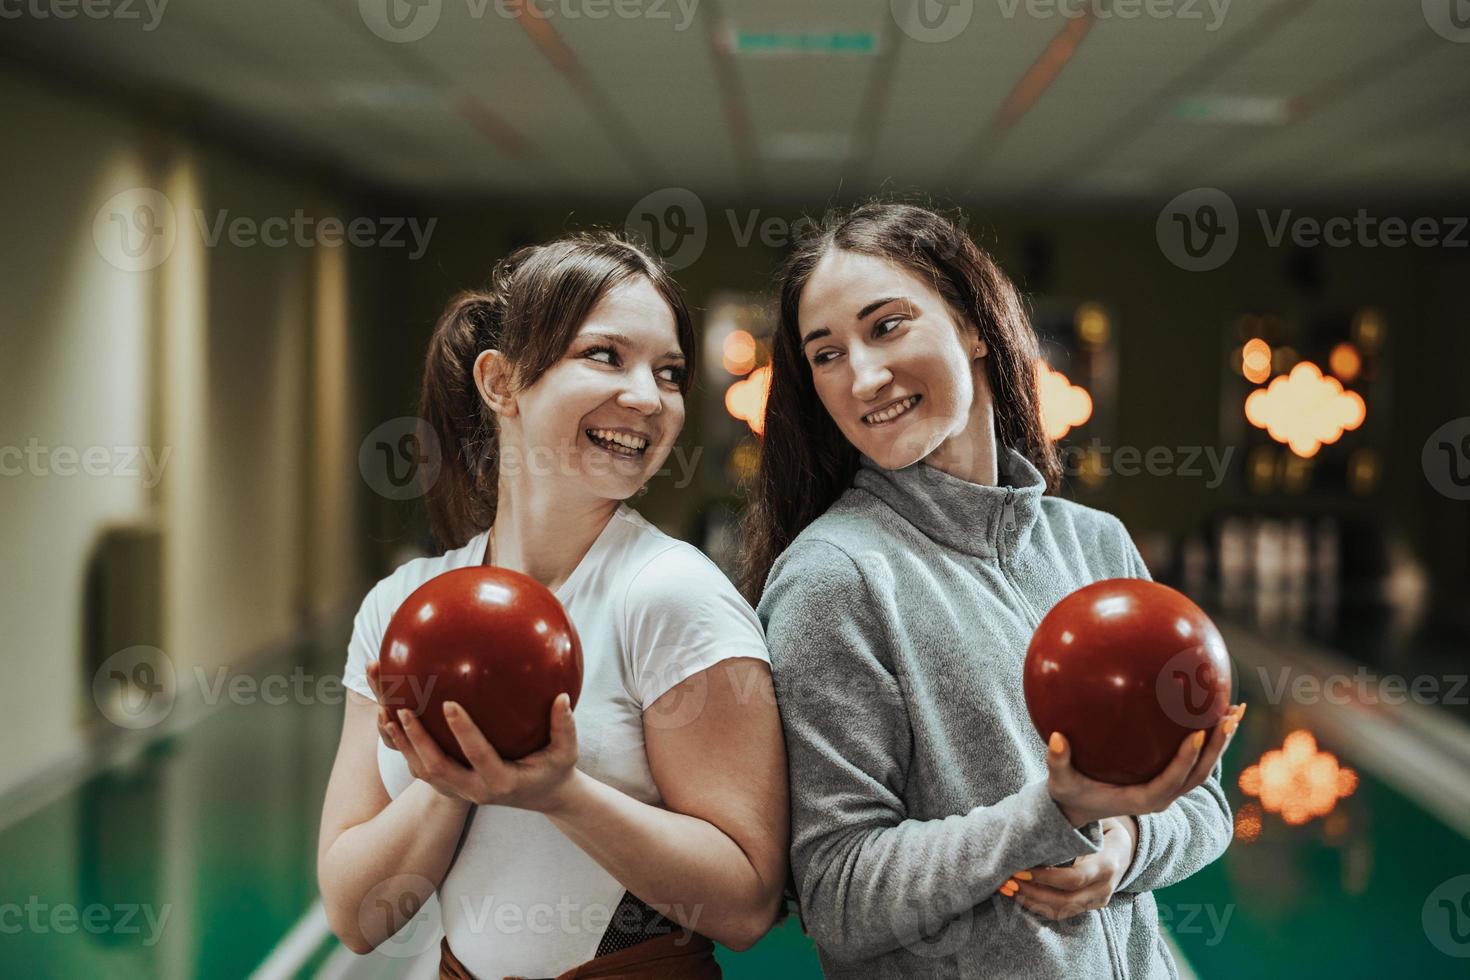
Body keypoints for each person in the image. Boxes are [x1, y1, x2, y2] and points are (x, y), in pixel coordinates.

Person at [739, 202, 1244, 978]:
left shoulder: (1094, 542)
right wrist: (1055, 815)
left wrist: (1123, 847)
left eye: (887, 325)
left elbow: (1204, 801)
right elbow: (837, 894)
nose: (864, 375)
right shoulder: (834, 578)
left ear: (975, 325)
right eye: (827, 354)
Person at [318, 233, 789, 979]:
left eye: (668, 372)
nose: (647, 397)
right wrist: (451, 779)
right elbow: (356, 916)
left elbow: (746, 904)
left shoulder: (672, 595)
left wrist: (560, 793)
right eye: (605, 355)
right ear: (501, 383)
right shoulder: (401, 609)